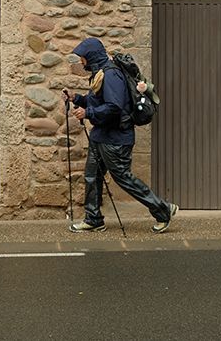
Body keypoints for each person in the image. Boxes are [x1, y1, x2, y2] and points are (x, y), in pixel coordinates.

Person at [63, 38, 178, 234]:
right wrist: (77, 98)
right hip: (101, 135)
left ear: (91, 57)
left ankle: (162, 209)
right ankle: (93, 219)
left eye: (83, 58)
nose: (81, 62)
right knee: (92, 176)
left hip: (116, 138)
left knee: (123, 178)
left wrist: (88, 113)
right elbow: (97, 100)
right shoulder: (100, 75)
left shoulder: (111, 75)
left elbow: (114, 107)